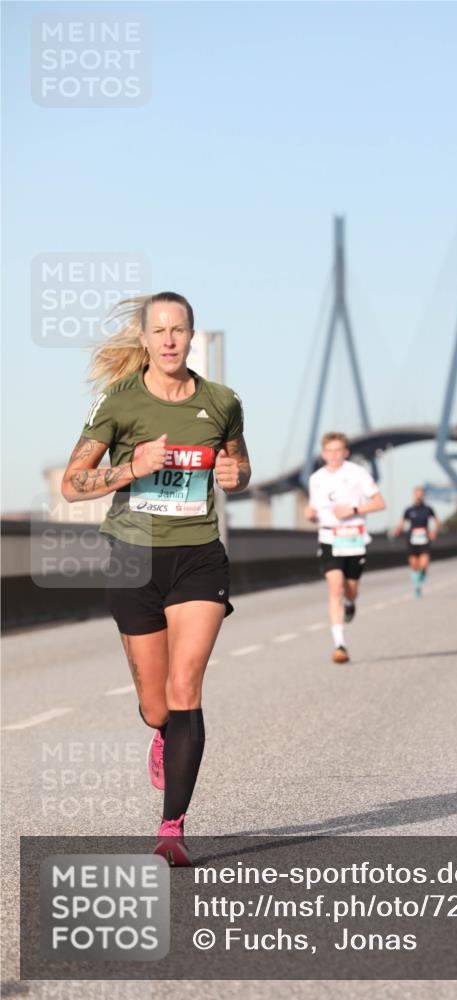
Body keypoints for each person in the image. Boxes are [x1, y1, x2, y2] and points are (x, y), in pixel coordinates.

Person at [61, 292, 250, 865]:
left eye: (179, 329)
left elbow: (239, 467)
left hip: (197, 557)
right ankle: (161, 735)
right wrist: (131, 469)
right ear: (143, 339)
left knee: (185, 687)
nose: (169, 339)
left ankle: (172, 827)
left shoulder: (222, 402)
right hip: (132, 557)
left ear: (193, 336)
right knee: (156, 706)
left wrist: (236, 473)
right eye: (159, 330)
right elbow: (73, 483)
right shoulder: (118, 401)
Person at [304, 433, 385, 663]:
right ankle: (340, 645)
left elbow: (380, 502)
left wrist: (353, 510)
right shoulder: (316, 479)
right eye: (329, 451)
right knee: (335, 586)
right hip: (329, 537)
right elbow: (314, 512)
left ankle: (350, 604)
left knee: (350, 588)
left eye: (338, 450)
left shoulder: (357, 473)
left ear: (346, 452)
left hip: (355, 539)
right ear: (323, 454)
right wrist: (310, 515)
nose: (334, 455)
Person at [393, 486, 440, 597]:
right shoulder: (408, 510)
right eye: (417, 493)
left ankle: (423, 573)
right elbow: (402, 523)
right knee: (414, 565)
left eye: (421, 493)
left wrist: (434, 532)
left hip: (424, 538)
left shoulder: (428, 509)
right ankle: (417, 587)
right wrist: (398, 530)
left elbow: (437, 522)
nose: (419, 495)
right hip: (412, 539)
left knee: (424, 563)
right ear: (414, 494)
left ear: (423, 495)